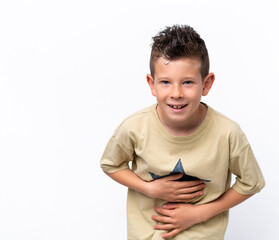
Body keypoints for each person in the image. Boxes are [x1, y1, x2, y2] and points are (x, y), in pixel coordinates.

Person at [100, 25, 265, 240]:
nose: (176, 93)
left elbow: (252, 183)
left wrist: (199, 213)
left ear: (206, 84)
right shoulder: (133, 127)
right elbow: (110, 164)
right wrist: (150, 189)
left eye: (187, 82)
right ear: (152, 84)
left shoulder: (227, 133)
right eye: (166, 82)